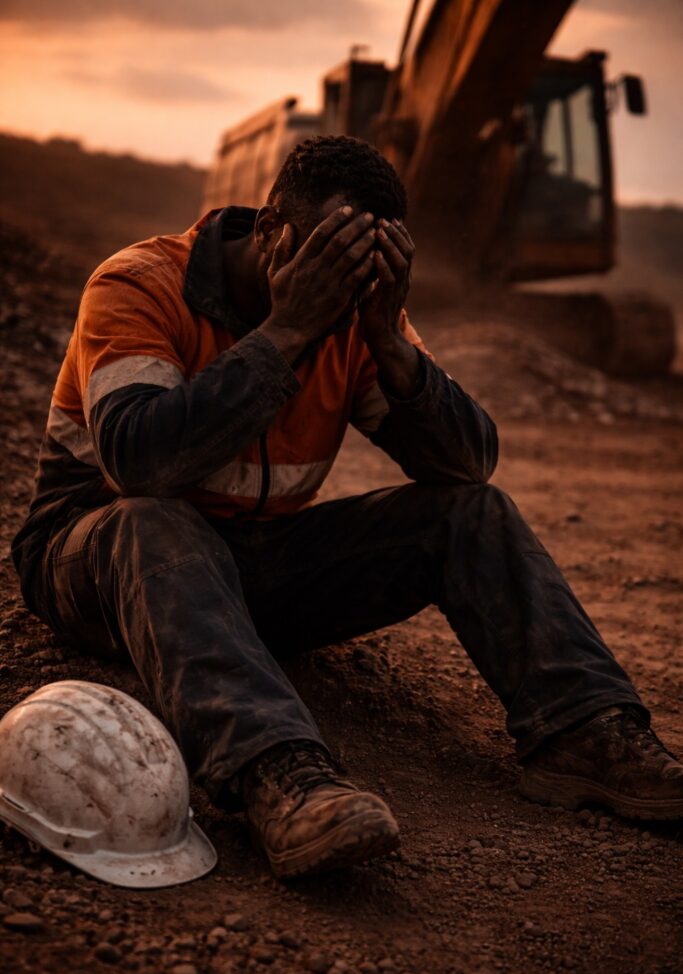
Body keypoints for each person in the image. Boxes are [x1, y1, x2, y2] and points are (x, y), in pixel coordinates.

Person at [12, 135, 682, 880]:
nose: (342, 283)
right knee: (153, 519)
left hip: (243, 568)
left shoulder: (355, 316)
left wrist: (390, 342)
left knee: (475, 511)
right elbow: (141, 463)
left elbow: (466, 465)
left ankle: (583, 733)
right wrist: (286, 331)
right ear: (271, 231)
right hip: (98, 559)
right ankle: (281, 773)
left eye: (364, 263)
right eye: (328, 256)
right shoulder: (140, 284)